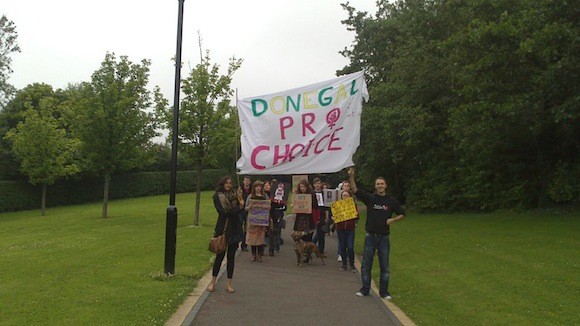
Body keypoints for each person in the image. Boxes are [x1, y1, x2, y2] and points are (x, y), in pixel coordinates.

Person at [348, 167, 405, 300]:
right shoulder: (370, 198)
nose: (380, 186)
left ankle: (384, 292)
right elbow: (355, 190)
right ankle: (365, 289)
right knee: (366, 265)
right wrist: (351, 177)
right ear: (375, 186)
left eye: (382, 184)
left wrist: (393, 219)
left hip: (384, 238)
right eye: (378, 184)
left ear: (385, 186)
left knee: (384, 266)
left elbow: (403, 213)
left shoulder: (391, 201)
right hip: (370, 237)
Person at [208, 175, 245, 294]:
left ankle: (229, 283)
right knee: (219, 256)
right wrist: (239, 207)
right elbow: (224, 213)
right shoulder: (218, 196)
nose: (229, 185)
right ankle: (213, 282)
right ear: (223, 184)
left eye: (230, 183)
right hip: (223, 229)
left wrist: (240, 205)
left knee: (231, 257)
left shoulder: (236, 196)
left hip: (234, 228)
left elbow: (240, 212)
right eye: (226, 183)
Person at [245, 180, 269, 262]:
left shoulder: (265, 196)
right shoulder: (250, 196)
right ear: (254, 187)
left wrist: (268, 206)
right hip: (252, 220)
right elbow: (246, 208)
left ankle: (259, 255)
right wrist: (250, 206)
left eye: (260, 186)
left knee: (261, 238)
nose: (258, 188)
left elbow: (268, 206)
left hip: (262, 220)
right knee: (253, 238)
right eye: (256, 186)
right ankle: (253, 254)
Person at [336, 190, 359, 272]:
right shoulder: (338, 205)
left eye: (347, 195)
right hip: (340, 229)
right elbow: (335, 216)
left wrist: (356, 214)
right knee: (342, 246)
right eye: (343, 196)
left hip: (350, 229)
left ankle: (352, 265)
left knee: (350, 247)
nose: (345, 197)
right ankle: (344, 264)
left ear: (350, 197)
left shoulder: (353, 205)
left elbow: (357, 217)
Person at [266, 179, 286, 256]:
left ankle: (276, 247)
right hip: (269, 215)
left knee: (277, 231)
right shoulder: (267, 194)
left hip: (277, 214)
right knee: (271, 232)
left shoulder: (278, 194)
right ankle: (271, 246)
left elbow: (283, 206)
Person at [311, 177, 329, 258]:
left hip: (322, 215)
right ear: (313, 185)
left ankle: (321, 251)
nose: (318, 185)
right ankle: (310, 247)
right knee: (313, 233)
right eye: (316, 184)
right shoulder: (311, 194)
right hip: (313, 215)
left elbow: (326, 207)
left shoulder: (324, 194)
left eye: (319, 183)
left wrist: (326, 217)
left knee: (321, 234)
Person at [239, 176, 252, 251]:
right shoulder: (240, 189)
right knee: (239, 227)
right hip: (240, 211)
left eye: (248, 180)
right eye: (246, 180)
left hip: (248, 211)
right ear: (243, 181)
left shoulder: (251, 190)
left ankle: (244, 244)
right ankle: (238, 243)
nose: (247, 182)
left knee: (246, 229)